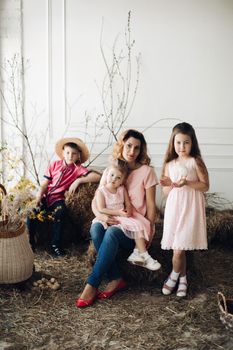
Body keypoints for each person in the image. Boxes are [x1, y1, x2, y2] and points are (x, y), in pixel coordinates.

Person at [76, 129, 160, 308]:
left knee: (113, 233)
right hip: (113, 219)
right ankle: (116, 277)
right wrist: (102, 217)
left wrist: (150, 232)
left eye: (137, 148)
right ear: (122, 145)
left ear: (141, 151)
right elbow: (96, 201)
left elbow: (152, 205)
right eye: (129, 146)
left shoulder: (147, 172)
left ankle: (92, 284)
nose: (132, 151)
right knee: (96, 228)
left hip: (133, 228)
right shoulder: (111, 170)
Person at [27, 137, 101, 257]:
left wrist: (79, 180)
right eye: (67, 152)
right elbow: (45, 183)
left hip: (58, 199)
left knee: (61, 213)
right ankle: (30, 241)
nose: (70, 156)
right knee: (32, 211)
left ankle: (56, 244)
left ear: (78, 156)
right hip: (46, 196)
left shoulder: (78, 169)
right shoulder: (54, 164)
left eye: (74, 154)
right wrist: (39, 196)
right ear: (63, 153)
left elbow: (97, 177)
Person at [160, 122, 209, 297]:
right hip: (175, 207)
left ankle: (173, 276)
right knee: (178, 246)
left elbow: (205, 186)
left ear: (192, 142)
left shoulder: (195, 161)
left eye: (186, 142)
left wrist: (187, 182)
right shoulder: (169, 163)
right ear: (173, 143)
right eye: (178, 142)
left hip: (190, 206)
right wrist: (170, 185)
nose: (182, 147)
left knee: (180, 248)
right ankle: (183, 279)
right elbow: (166, 191)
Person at [93, 161, 161, 271]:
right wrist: (118, 213)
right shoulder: (102, 191)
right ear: (107, 174)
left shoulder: (121, 189)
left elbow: (128, 203)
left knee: (138, 224)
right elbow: (101, 208)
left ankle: (139, 253)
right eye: (112, 175)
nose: (114, 179)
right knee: (96, 230)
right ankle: (142, 255)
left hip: (121, 216)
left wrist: (128, 211)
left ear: (122, 181)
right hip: (110, 216)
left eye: (118, 178)